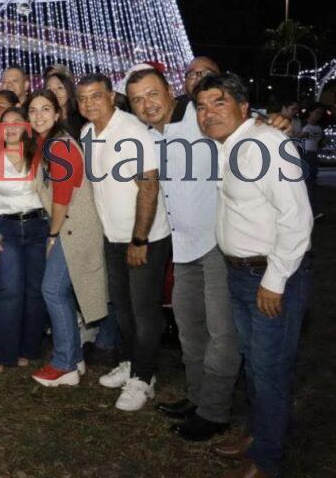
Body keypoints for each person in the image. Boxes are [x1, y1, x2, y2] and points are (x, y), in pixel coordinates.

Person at [194, 74, 313, 478]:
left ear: (244, 107)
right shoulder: (230, 146)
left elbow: (297, 219)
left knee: (270, 369)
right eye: (201, 106)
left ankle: (267, 461)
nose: (208, 113)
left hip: (270, 277)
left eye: (218, 102)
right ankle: (258, 435)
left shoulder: (267, 145)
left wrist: (275, 281)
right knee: (253, 363)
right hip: (240, 274)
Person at [125, 67, 240, 437]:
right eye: (138, 99)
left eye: (152, 94)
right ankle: (197, 397)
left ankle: (215, 413)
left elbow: (239, 122)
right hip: (185, 248)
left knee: (222, 333)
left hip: (219, 244)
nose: (147, 104)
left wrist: (277, 120)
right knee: (191, 330)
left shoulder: (196, 115)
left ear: (170, 91)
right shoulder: (148, 135)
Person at [77, 73, 171, 411]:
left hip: (143, 238)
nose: (89, 104)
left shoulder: (131, 131)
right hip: (112, 237)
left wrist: (139, 239)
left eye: (96, 96)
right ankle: (133, 363)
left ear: (111, 97)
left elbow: (149, 186)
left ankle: (144, 379)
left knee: (144, 312)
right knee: (123, 309)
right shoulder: (87, 133)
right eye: (83, 98)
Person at [25, 90, 109, 389]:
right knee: (60, 292)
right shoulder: (44, 144)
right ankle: (73, 358)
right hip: (68, 226)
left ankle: (64, 363)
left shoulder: (59, 146)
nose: (38, 115)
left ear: (58, 113)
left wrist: (52, 235)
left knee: (52, 290)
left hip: (74, 228)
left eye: (45, 109)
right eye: (33, 110)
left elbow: (62, 199)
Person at [0, 107, 47, 372]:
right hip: (6, 228)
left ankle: (28, 348)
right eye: (5, 123)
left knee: (34, 291)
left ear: (26, 126)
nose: (12, 126)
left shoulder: (39, 155)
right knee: (9, 289)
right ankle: (1, 352)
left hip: (39, 226)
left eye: (17, 121)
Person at [43, 67, 84, 139]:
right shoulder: (42, 120)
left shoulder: (82, 117)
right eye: (49, 89)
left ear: (69, 91)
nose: (54, 93)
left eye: (60, 88)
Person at [299, 104, 324, 217]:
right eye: (317, 112)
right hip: (305, 155)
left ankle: (311, 209)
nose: (318, 116)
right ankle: (309, 210)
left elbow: (319, 142)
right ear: (310, 112)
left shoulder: (318, 128)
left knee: (312, 183)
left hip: (313, 155)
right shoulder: (303, 125)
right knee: (307, 183)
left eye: (320, 114)